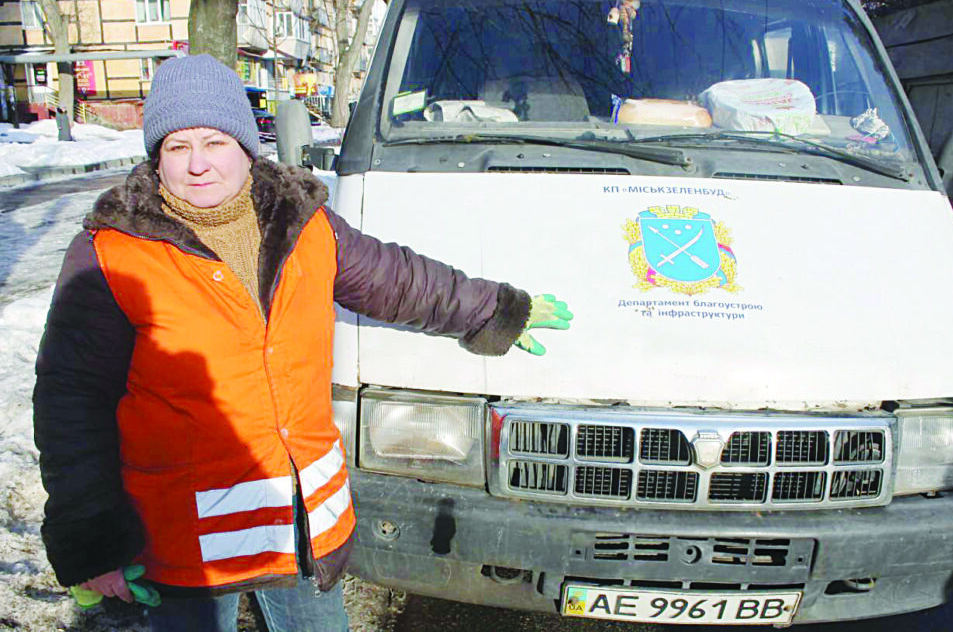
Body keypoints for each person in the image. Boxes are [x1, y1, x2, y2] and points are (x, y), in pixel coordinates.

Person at [32, 54, 572, 632]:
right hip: (184, 547)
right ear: (156, 156)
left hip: (300, 529)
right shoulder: (113, 253)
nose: (197, 165)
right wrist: (93, 544)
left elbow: (398, 280)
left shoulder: (304, 223)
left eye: (214, 141)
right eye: (176, 146)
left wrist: (493, 309)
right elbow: (71, 406)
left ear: (245, 145)